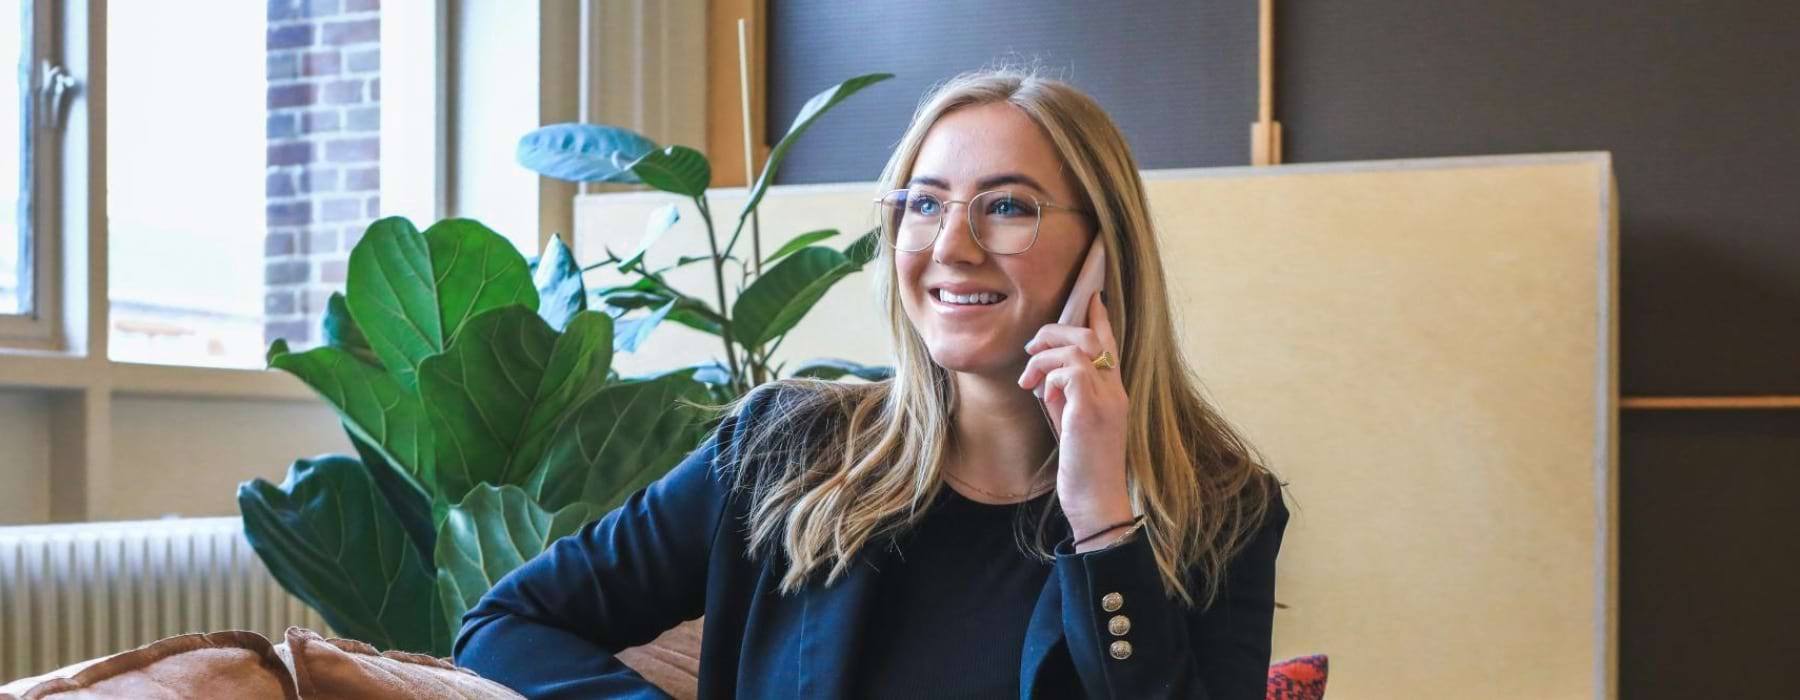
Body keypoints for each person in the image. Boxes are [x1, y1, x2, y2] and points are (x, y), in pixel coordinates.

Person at [454, 67, 1290, 699]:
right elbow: (505, 626)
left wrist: (1104, 523)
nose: (951, 245)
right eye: (923, 205)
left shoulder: (1220, 508)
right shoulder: (783, 449)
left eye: (1006, 207)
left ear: (1104, 250)